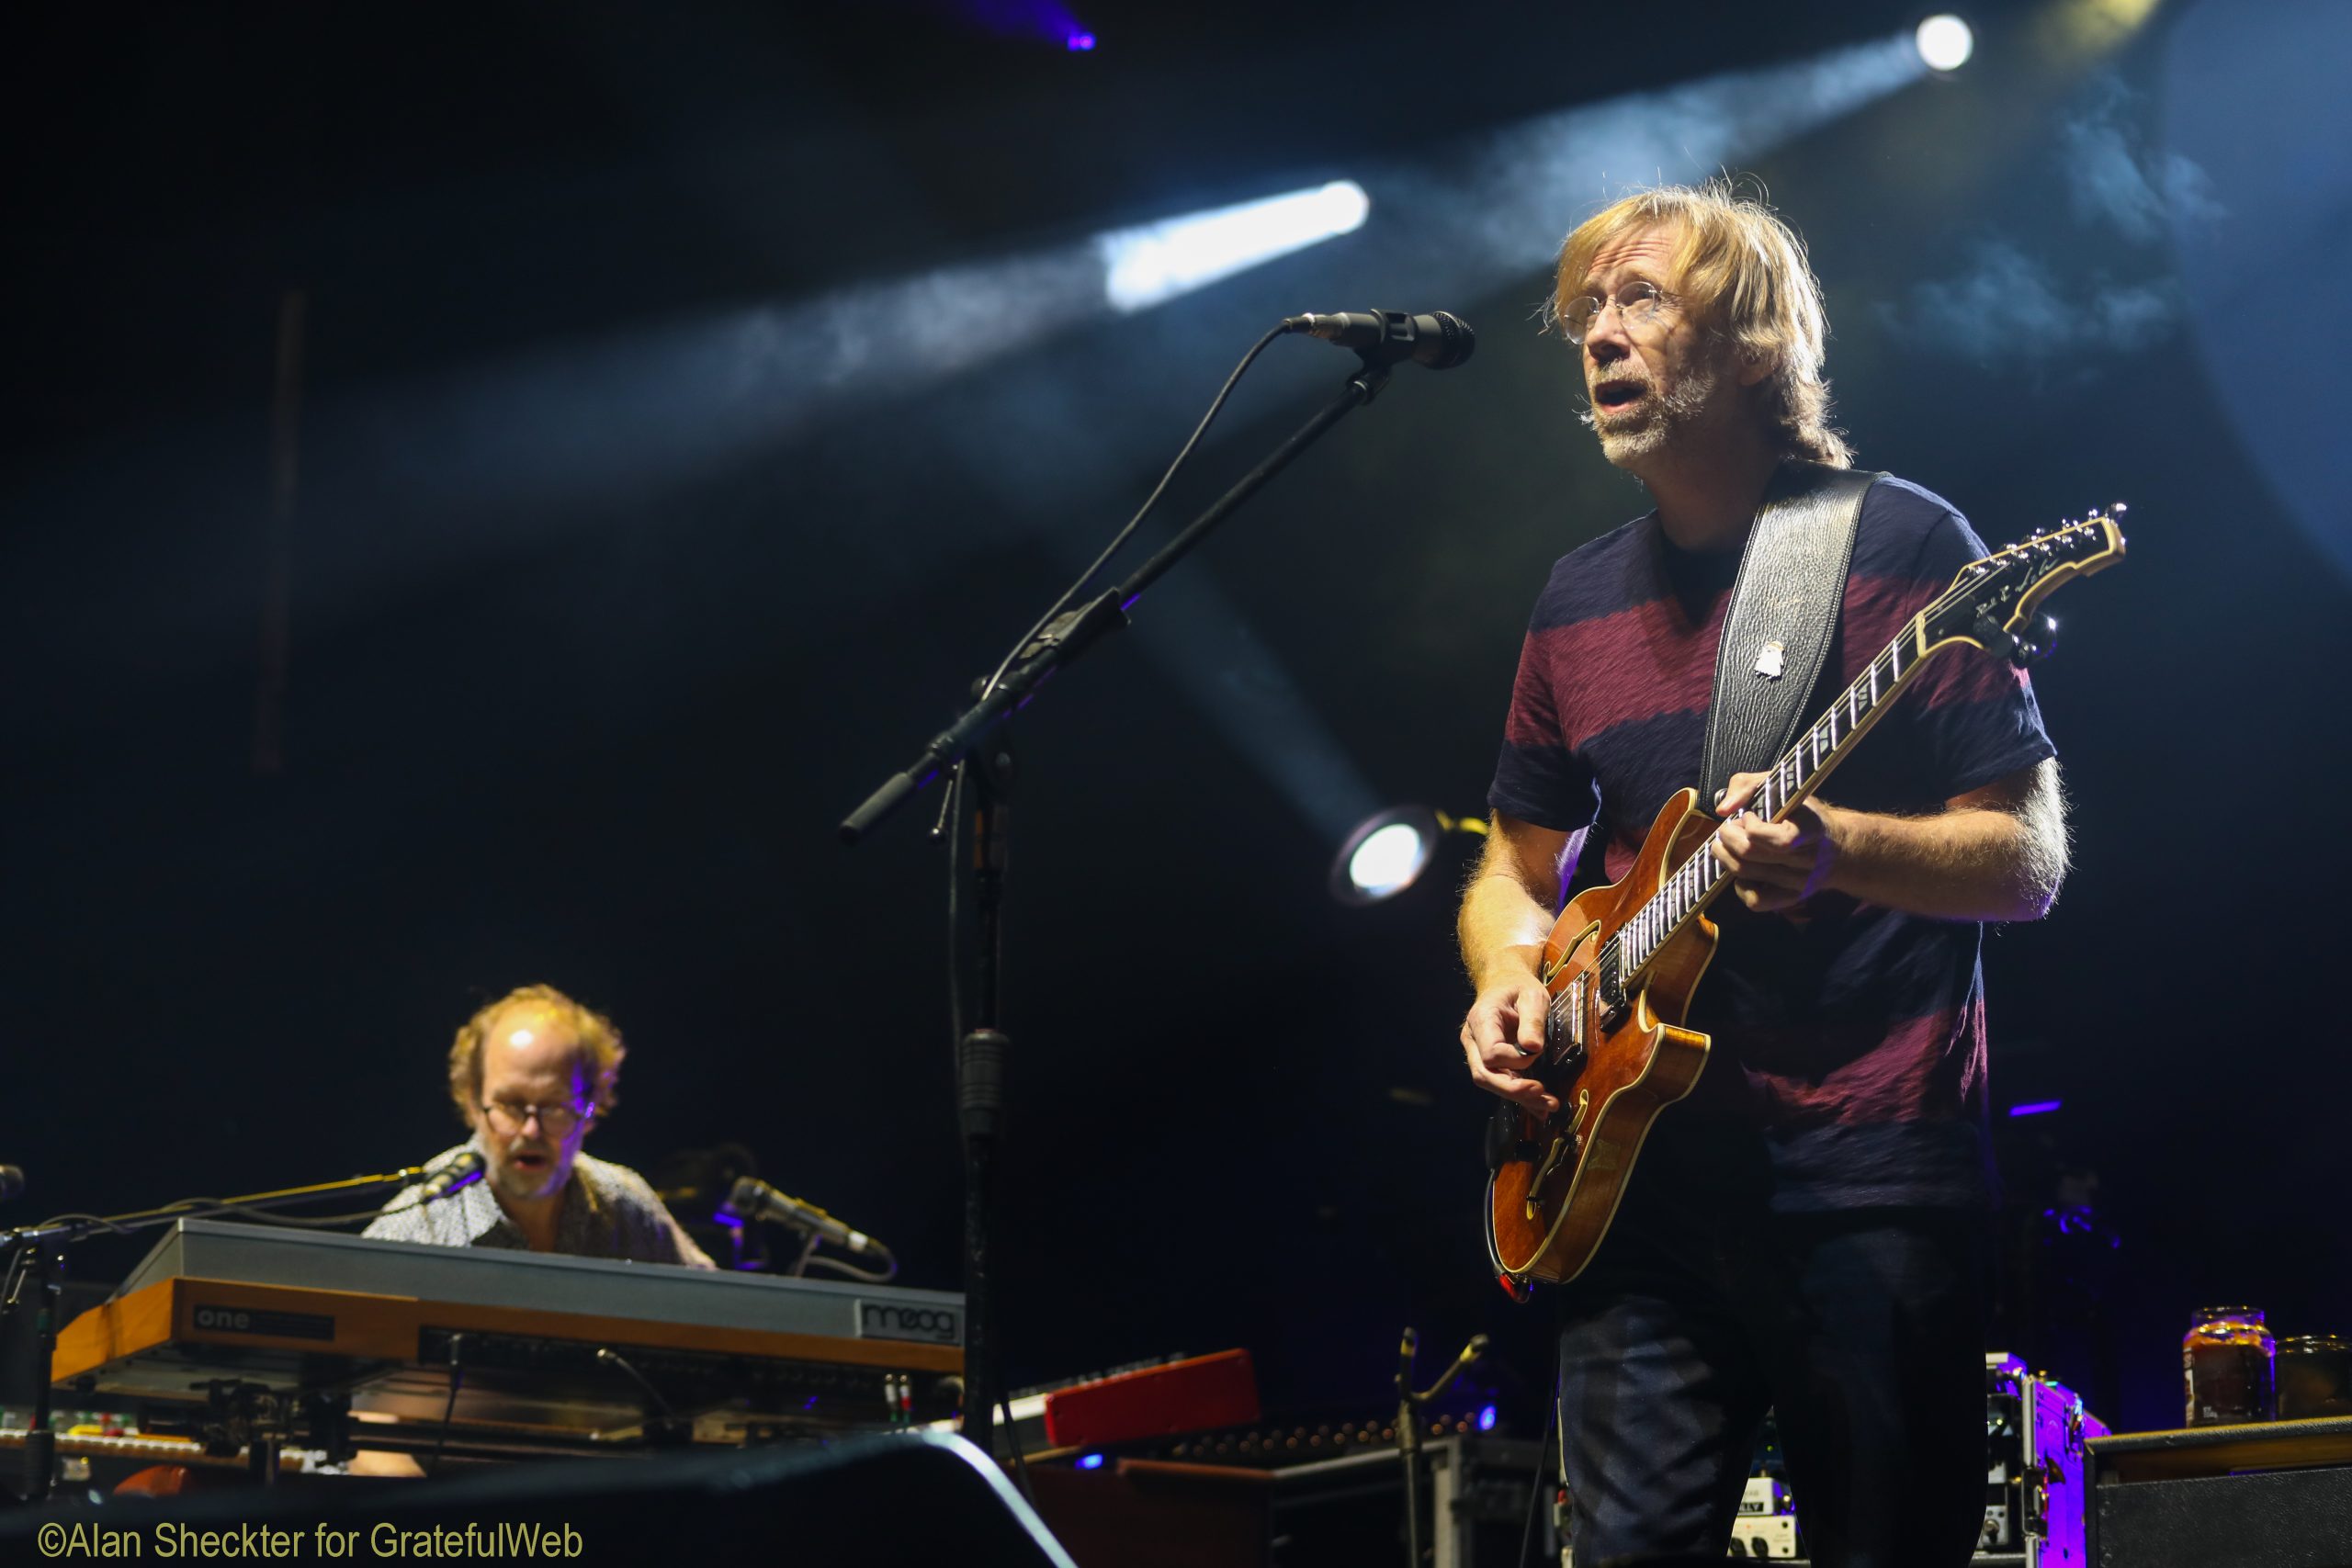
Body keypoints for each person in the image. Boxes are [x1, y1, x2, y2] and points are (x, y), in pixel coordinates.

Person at [1456, 180, 2068, 1568]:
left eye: (1643, 300)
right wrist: (1507, 972)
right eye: (1588, 312)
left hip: (1864, 1175)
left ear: (1749, 343)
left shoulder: (1902, 546)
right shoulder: (1572, 597)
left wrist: (1841, 846)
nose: (1601, 337)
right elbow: (1513, 865)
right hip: (1637, 1181)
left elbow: (2028, 859)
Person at [365, 984, 715, 1269]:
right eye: (511, 1106)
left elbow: (711, 1317)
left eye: (555, 1106)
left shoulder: (625, 1207)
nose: (531, 1131)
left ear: (590, 1110)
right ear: (472, 1102)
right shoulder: (416, 1227)